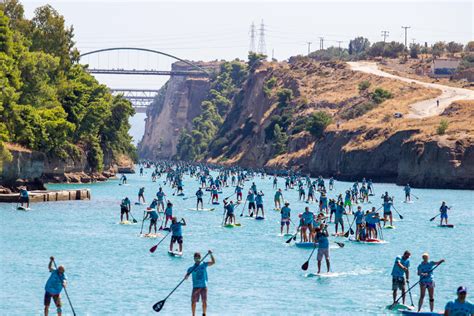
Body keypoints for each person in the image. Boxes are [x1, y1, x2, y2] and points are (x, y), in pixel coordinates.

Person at [185, 250, 216, 316]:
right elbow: (186, 277)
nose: (197, 259)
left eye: (198, 258)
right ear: (194, 259)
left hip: (203, 286)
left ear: (200, 258)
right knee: (193, 302)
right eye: (195, 258)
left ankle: (204, 314)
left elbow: (213, 262)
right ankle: (193, 315)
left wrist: (210, 254)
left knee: (204, 301)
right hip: (195, 287)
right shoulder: (191, 268)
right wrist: (186, 276)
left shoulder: (204, 264)